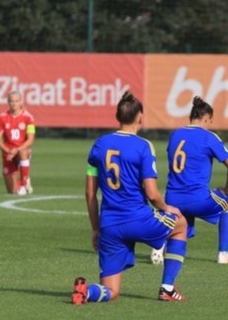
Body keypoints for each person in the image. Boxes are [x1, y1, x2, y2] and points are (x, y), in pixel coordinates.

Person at [72, 91, 190, 304]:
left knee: (111, 291)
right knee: (181, 225)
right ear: (140, 117)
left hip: (110, 226)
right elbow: (152, 194)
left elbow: (90, 194)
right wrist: (167, 208)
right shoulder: (143, 146)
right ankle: (167, 288)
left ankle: (86, 292)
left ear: (117, 117)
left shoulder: (99, 145)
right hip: (139, 220)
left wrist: (96, 229)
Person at [153, 96, 228, 265]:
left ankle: (159, 246)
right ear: (206, 118)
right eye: (210, 121)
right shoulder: (209, 137)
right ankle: (223, 254)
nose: (210, 125)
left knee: (182, 226)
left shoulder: (175, 134)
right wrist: (227, 191)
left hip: (172, 199)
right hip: (197, 199)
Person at [0, 90, 35, 195]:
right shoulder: (2, 117)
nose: (14, 104)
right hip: (8, 153)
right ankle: (24, 177)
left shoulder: (28, 117)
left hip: (21, 150)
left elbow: (30, 140)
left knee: (23, 152)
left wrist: (16, 150)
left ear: (21, 101)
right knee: (12, 192)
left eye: (16, 101)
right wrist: (8, 151)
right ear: (8, 102)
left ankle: (24, 184)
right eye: (12, 101)